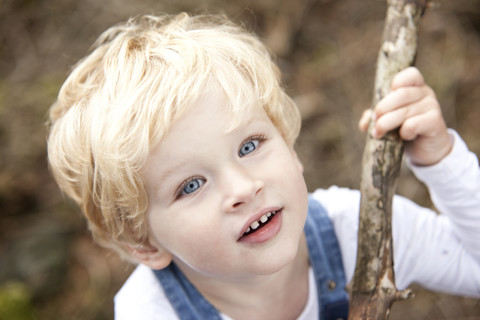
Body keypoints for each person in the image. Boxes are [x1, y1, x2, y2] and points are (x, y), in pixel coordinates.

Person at [46, 12, 480, 320]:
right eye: (192, 185)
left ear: (290, 146)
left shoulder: (358, 229)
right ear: (145, 245)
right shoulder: (150, 312)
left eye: (250, 145)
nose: (244, 187)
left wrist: (442, 160)